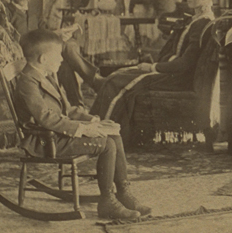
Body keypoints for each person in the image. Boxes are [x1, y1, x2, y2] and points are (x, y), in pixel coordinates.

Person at [13, 29, 151, 221]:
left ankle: (123, 191)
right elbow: (44, 118)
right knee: (106, 144)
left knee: (113, 134)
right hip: (45, 140)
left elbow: (67, 109)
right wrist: (82, 129)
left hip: (58, 133)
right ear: (44, 58)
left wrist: (91, 120)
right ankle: (107, 201)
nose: (62, 60)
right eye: (59, 56)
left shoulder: (47, 76)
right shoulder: (28, 82)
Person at [89, 0, 218, 145]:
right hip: (172, 72)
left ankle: (102, 136)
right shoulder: (196, 20)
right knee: (117, 76)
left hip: (177, 78)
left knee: (117, 82)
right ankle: (95, 126)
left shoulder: (203, 23)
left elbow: (184, 64)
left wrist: (153, 67)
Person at [0, 0, 101, 106]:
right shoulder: (6, 12)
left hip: (41, 51)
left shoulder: (33, 12)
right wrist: (56, 35)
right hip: (25, 53)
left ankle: (77, 105)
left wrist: (60, 33)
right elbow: (9, 38)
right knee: (67, 46)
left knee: (65, 65)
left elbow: (45, 32)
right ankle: (93, 80)